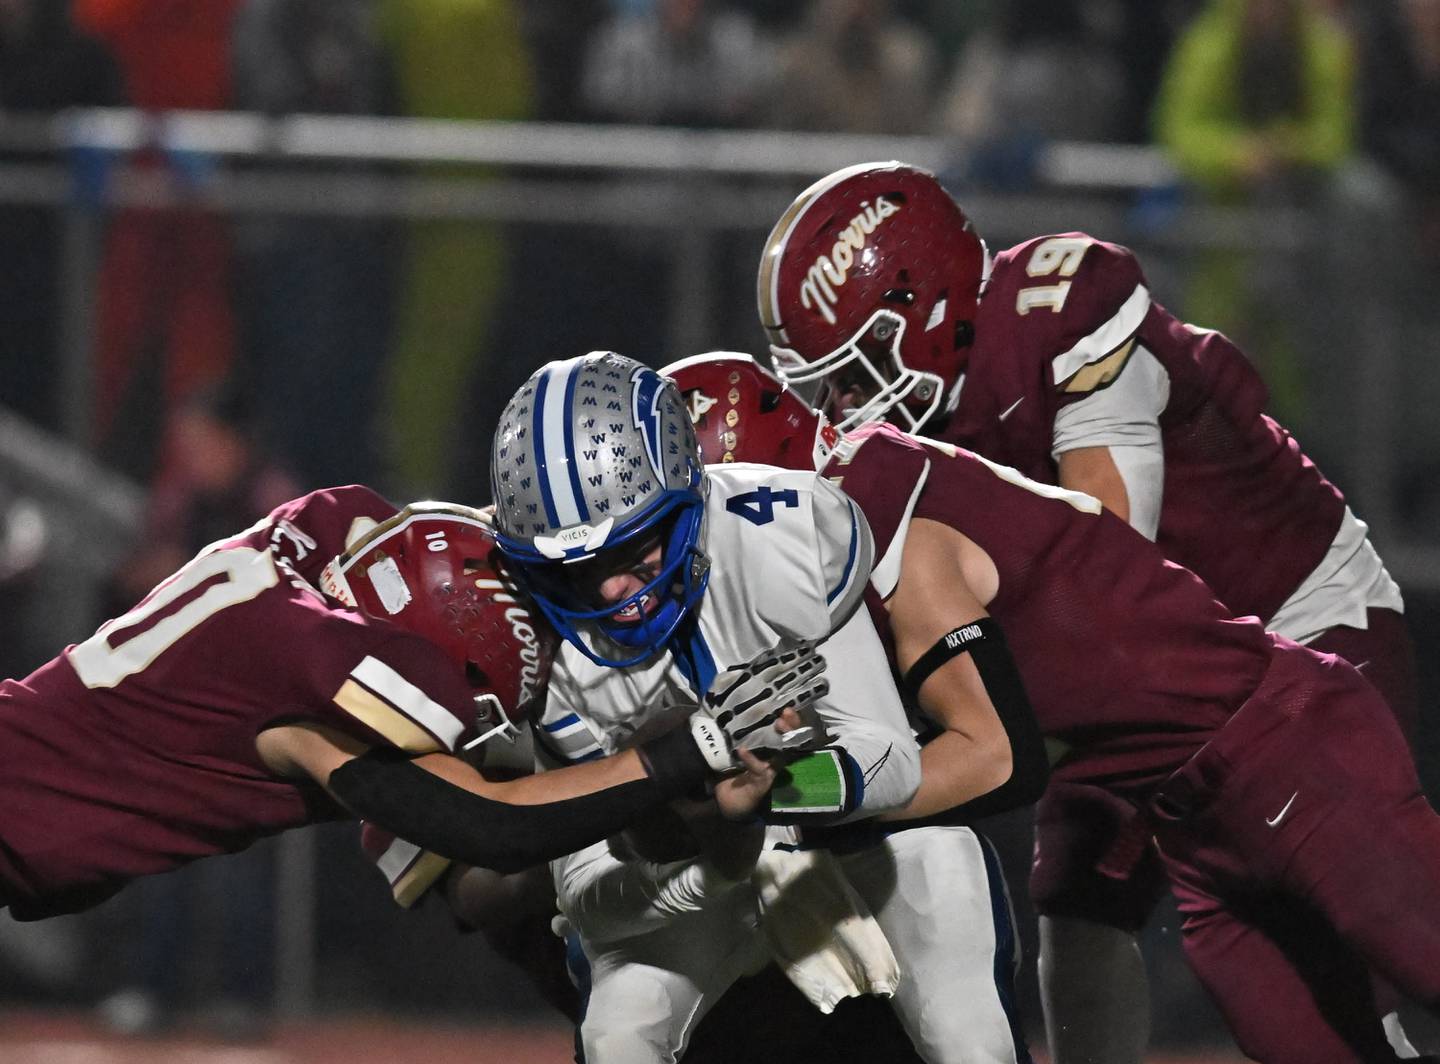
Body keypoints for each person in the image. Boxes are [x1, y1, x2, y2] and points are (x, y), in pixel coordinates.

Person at [756, 160, 1418, 1062]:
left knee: (1354, 954)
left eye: (859, 367)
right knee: (1076, 885)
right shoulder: (911, 439)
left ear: (928, 309)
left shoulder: (1056, 317)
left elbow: (1109, 560)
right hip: (1182, 692)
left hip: (1298, 617)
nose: (840, 405)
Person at [0, 483, 816, 922]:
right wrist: (691, 751)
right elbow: (493, 827)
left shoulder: (330, 546)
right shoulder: (311, 673)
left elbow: (469, 880)